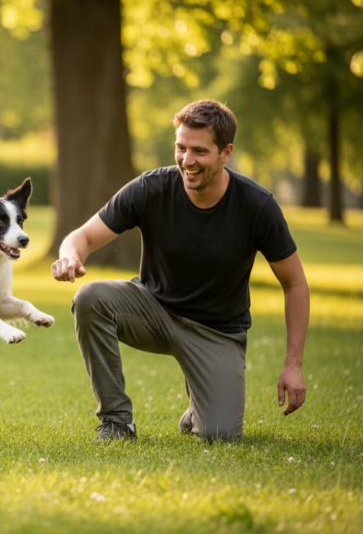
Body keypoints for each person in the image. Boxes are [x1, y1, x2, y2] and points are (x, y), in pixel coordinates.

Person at [51, 99, 309, 442]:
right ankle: (117, 422)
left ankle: (201, 406)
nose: (187, 161)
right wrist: (69, 255)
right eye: (181, 148)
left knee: (219, 435)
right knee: (90, 298)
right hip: (153, 311)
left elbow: (295, 284)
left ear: (225, 152)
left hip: (216, 331)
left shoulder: (256, 206)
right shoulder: (151, 188)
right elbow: (81, 236)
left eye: (200, 151)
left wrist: (293, 364)